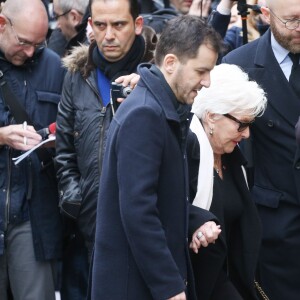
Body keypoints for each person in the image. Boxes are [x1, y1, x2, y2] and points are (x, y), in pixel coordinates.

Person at [90, 15, 223, 300]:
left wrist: (195, 220)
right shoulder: (145, 114)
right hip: (134, 286)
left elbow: (162, 195)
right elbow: (138, 211)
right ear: (171, 63)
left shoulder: (161, 108)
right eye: (201, 71)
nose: (208, 81)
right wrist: (169, 287)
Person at [55, 0, 157, 298]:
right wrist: (77, 198)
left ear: (137, 25)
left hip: (146, 219)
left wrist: (150, 88)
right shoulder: (77, 75)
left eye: (118, 25)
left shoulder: (158, 73)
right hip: (92, 222)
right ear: (90, 27)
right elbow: (65, 151)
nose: (108, 35)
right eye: (100, 25)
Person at [222, 0, 300, 298]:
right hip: (275, 229)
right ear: (266, 15)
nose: (299, 28)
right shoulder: (238, 66)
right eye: (291, 20)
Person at [0, 0, 65, 299]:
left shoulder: (54, 65)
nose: (29, 52)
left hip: (34, 218)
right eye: (24, 42)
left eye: (38, 44)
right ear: (2, 24)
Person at [188, 63, 267, 300]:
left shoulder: (234, 162)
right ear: (212, 116)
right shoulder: (185, 154)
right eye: (241, 124)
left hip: (228, 283)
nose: (246, 134)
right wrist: (195, 223)